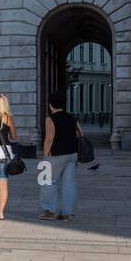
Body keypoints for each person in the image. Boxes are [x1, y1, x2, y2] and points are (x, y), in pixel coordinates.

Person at [40, 90, 82, 221]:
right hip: (72, 154)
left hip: (56, 155)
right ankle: (66, 213)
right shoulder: (73, 117)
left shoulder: (50, 118)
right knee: (69, 184)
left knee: (47, 182)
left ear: (51, 105)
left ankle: (50, 211)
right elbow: (80, 134)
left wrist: (45, 155)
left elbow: (49, 138)